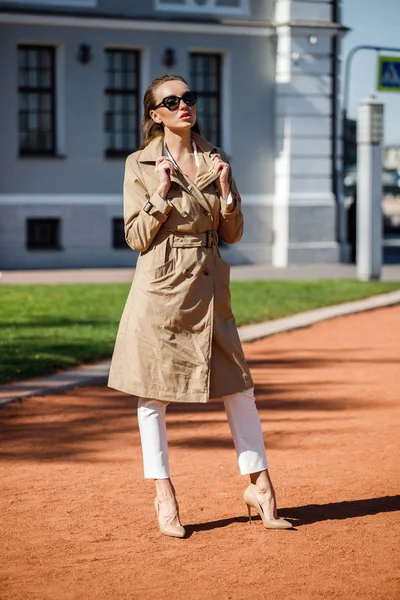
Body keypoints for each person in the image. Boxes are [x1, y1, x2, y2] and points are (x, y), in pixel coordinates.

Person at [108, 74, 292, 538]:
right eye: (172, 101)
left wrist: (227, 190)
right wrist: (160, 194)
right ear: (155, 115)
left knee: (239, 387)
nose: (183, 105)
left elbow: (232, 234)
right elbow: (135, 238)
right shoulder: (139, 163)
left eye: (189, 97)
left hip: (211, 286)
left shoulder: (216, 158)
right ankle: (164, 493)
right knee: (152, 395)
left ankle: (260, 487)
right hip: (162, 289)